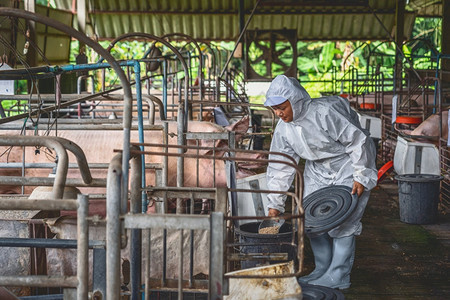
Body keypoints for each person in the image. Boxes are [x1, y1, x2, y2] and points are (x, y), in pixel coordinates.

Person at [264, 75, 377, 289]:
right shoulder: (283, 128)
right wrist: (274, 204)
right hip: (316, 169)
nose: (279, 113)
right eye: (274, 109)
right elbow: (281, 165)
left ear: (295, 100)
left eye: (282, 107)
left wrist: (361, 174)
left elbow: (358, 140)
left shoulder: (324, 112)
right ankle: (322, 269)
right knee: (312, 220)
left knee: (344, 220)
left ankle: (339, 275)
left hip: (346, 164)